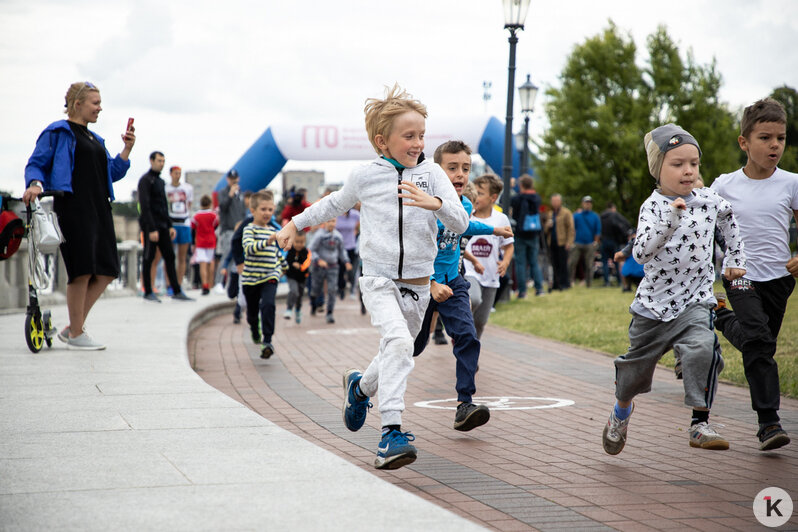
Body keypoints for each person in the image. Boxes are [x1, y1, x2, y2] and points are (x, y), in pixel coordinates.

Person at [275, 84, 468, 470]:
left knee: (396, 350)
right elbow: (332, 203)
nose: (418, 144)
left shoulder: (432, 175)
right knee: (398, 343)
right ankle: (390, 434)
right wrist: (294, 224)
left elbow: (460, 221)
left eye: (422, 136)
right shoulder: (365, 176)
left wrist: (437, 204)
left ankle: (360, 388)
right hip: (378, 279)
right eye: (409, 136)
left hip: (418, 284)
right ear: (383, 141)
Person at [602, 124, 746, 456]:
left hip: (695, 299)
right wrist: (670, 219)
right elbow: (640, 253)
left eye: (693, 163)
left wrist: (736, 257)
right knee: (632, 376)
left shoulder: (708, 199)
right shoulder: (652, 207)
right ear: (659, 169)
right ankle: (621, 412)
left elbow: (729, 219)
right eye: (677, 163)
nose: (688, 170)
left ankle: (700, 423)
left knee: (703, 347)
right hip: (653, 306)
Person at [710, 98, 798, 451]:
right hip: (739, 274)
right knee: (760, 342)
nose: (774, 145)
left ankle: (719, 317)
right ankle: (768, 422)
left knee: (759, 344)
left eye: (780, 138)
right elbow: (702, 228)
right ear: (744, 142)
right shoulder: (724, 186)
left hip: (779, 278)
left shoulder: (791, 183)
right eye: (765, 138)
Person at [23, 81, 136, 350]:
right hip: (73, 207)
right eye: (95, 103)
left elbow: (113, 172)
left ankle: (73, 328)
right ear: (78, 104)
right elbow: (36, 163)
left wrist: (127, 150)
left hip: (100, 209)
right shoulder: (58, 132)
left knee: (108, 270)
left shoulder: (95, 139)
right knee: (81, 270)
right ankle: (76, 333)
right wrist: (35, 183)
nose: (100, 108)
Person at [413, 141, 512, 432]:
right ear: (436, 171)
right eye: (452, 168)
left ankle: (464, 405)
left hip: (454, 281)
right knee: (413, 347)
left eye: (465, 168)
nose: (460, 174)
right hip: (421, 283)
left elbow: (463, 225)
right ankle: (363, 384)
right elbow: (412, 252)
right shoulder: (424, 205)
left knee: (468, 337)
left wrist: (494, 229)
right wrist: (430, 284)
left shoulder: (465, 204)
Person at [138, 151, 194, 303]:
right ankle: (148, 290)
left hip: (163, 226)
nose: (161, 163)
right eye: (159, 161)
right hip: (151, 226)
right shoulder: (145, 180)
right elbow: (145, 206)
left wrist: (169, 226)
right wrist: (151, 229)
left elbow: (164, 205)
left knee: (170, 256)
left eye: (163, 161)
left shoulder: (161, 182)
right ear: (151, 161)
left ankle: (176, 290)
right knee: (149, 257)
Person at [464, 174, 514, 339]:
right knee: (474, 299)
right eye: (475, 192)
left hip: (491, 275)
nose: (476, 196)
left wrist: (505, 262)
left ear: (493, 197)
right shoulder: (467, 215)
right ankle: (461, 329)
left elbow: (509, 246)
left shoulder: (501, 219)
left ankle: (471, 353)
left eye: (480, 193)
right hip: (469, 271)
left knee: (480, 322)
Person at [242, 190, 286, 359]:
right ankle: (255, 328)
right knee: (252, 314)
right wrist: (267, 241)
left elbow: (275, 253)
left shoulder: (273, 230)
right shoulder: (249, 229)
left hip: (270, 276)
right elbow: (248, 248)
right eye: (263, 209)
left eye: (270, 209)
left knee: (268, 305)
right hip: (251, 279)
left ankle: (267, 341)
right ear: (253, 211)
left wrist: (284, 265)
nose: (267, 213)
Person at [309, 218, 352, 323]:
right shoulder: (319, 235)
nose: (331, 224)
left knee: (332, 289)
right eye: (329, 221)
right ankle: (314, 304)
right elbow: (311, 249)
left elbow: (342, 250)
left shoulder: (338, 236)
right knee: (316, 289)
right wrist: (318, 260)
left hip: (333, 266)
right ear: (325, 222)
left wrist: (346, 261)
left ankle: (329, 313)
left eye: (333, 221)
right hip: (318, 267)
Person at [510, 175, 544, 297]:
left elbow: (507, 201)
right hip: (534, 233)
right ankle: (539, 289)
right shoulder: (536, 198)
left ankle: (522, 291)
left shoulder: (518, 198)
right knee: (534, 261)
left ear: (521, 185)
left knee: (520, 262)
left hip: (520, 233)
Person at [215, 169, 247, 290]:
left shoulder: (241, 194)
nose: (234, 181)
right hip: (228, 229)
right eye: (231, 179)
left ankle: (230, 284)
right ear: (228, 180)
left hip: (239, 230)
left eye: (235, 179)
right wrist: (230, 195)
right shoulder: (223, 192)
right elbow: (222, 207)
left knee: (237, 256)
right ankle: (219, 282)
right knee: (226, 255)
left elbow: (243, 212)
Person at [165, 165, 194, 290]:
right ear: (171, 174)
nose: (178, 175)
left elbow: (190, 203)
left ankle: (179, 284)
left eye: (179, 173)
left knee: (182, 257)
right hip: (171, 223)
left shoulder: (187, 188)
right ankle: (169, 284)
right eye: (176, 173)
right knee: (170, 256)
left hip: (184, 223)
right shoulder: (166, 188)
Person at [543, 194, 574, 291]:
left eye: (556, 201)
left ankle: (564, 283)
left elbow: (571, 228)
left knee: (563, 263)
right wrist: (547, 226)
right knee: (554, 264)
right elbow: (545, 231)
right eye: (553, 201)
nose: (554, 203)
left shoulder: (566, 213)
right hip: (552, 242)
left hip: (563, 242)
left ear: (560, 201)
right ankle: (556, 283)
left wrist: (569, 242)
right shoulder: (550, 213)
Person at [569, 196, 601, 287]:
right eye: (586, 203)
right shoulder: (576, 215)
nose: (588, 204)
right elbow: (571, 228)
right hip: (577, 242)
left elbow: (598, 230)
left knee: (589, 265)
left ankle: (589, 283)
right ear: (582, 204)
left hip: (589, 243)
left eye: (589, 203)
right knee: (572, 262)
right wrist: (572, 241)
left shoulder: (595, 216)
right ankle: (570, 281)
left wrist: (595, 242)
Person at [191, 195, 218, 295]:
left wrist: (193, 243)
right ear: (210, 204)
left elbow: (193, 228)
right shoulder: (213, 215)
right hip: (211, 240)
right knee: (211, 263)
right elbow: (216, 225)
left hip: (200, 242)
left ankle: (204, 285)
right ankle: (211, 284)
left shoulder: (196, 216)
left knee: (202, 264)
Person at [599, 201, 630, 287]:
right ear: (613, 208)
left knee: (604, 262)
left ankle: (606, 281)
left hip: (603, 241)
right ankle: (620, 281)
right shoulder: (615, 215)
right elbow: (626, 224)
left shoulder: (601, 216)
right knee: (617, 261)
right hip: (613, 241)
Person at [284, 232, 311, 324]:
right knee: (294, 291)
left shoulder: (306, 252)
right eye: (297, 242)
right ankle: (289, 308)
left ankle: (298, 310)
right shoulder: (289, 251)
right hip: (291, 276)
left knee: (299, 295)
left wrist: (300, 266)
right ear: (293, 241)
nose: (299, 244)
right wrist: (285, 268)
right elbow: (284, 261)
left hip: (302, 277)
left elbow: (307, 263)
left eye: (301, 242)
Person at [336, 207, 360, 299]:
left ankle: (352, 291)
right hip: (339, 247)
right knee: (340, 271)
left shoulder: (354, 214)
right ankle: (341, 289)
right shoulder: (336, 214)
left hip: (351, 247)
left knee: (351, 271)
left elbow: (362, 221)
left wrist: (356, 230)